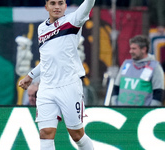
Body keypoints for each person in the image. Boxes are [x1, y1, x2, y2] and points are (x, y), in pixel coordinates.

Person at [18, 0, 95, 149]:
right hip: (46, 87)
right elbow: (47, 60)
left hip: (69, 85)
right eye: (53, 3)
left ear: (66, 6)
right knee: (46, 133)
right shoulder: (41, 28)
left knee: (76, 134)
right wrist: (31, 75)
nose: (57, 7)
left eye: (61, 3)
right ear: (46, 7)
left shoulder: (73, 20)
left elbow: (89, 4)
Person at [111, 35, 164, 106]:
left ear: (144, 49)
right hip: (122, 111)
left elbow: (158, 93)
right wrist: (115, 105)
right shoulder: (126, 64)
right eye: (130, 48)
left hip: (141, 114)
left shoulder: (155, 67)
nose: (130, 51)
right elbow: (116, 86)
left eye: (134, 49)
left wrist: (148, 112)